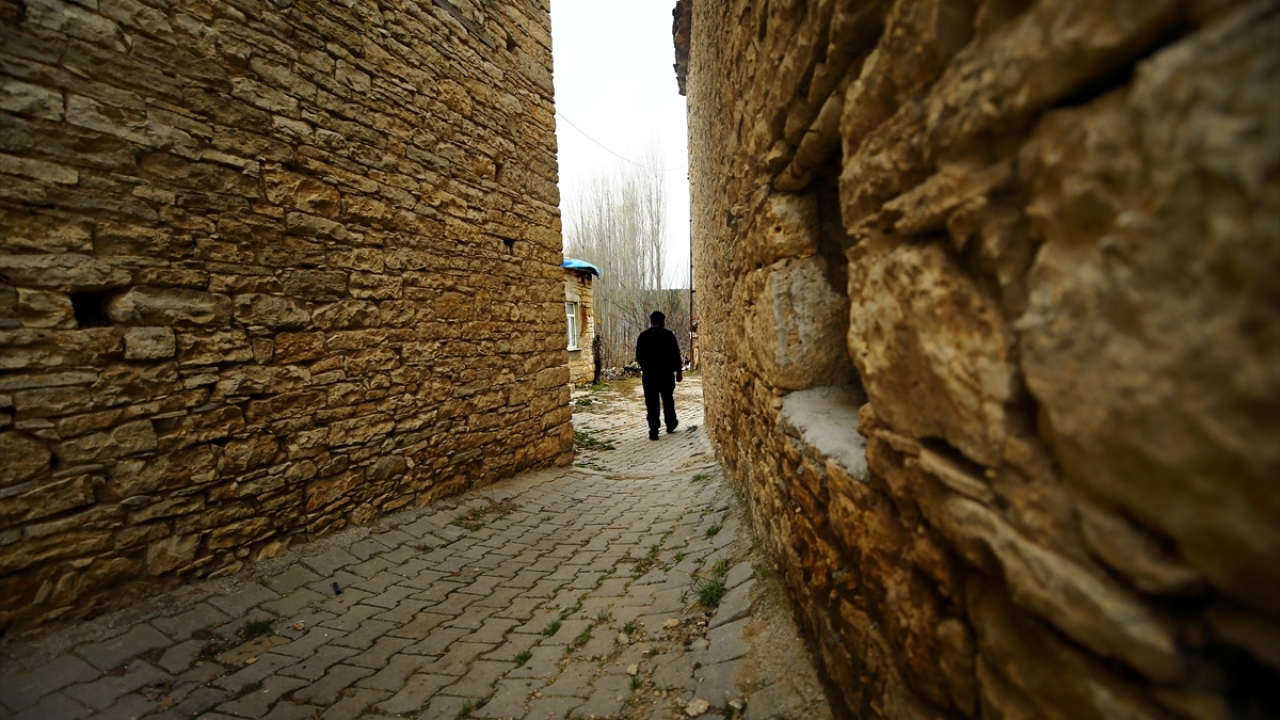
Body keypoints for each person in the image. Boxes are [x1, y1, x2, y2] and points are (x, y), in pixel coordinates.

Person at [635, 310, 683, 440]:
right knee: (668, 399)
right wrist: (678, 371)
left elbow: (639, 356)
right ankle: (671, 423)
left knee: (652, 403)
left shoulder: (644, 336)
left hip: (650, 376)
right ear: (662, 321)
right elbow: (675, 353)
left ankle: (654, 430)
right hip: (666, 374)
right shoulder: (668, 335)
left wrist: (646, 368)